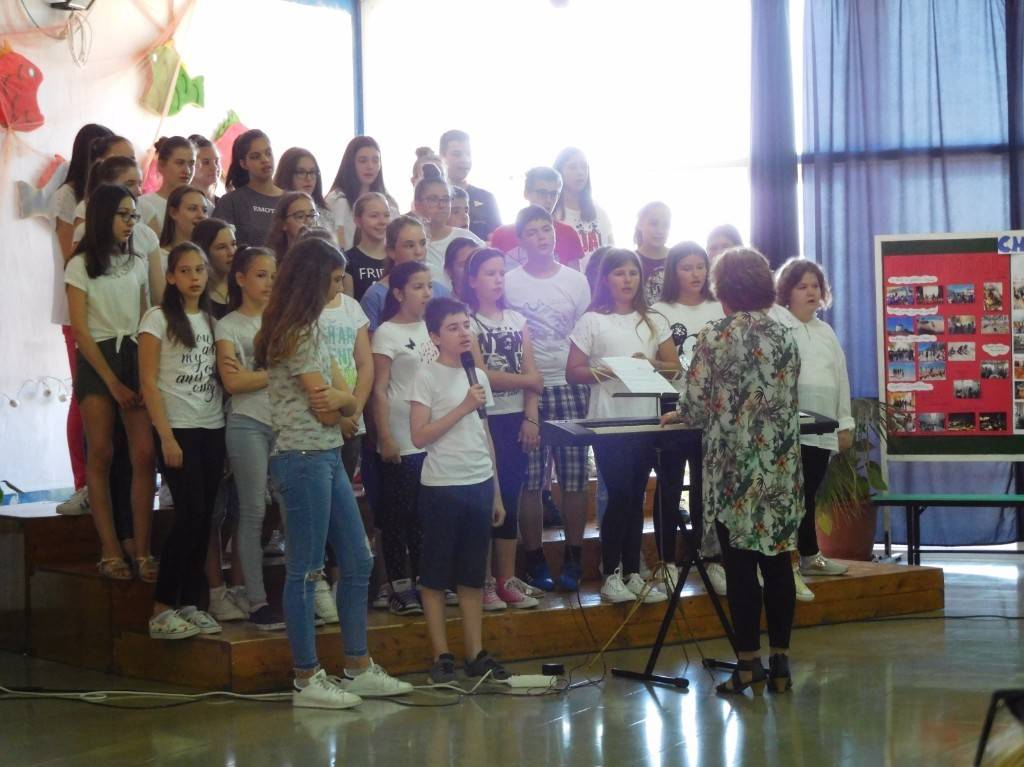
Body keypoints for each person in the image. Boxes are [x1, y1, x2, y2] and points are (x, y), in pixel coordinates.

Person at [255, 237, 411, 708]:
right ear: (312, 279)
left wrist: (346, 403)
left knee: (358, 559)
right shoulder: (291, 332)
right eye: (334, 278)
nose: (340, 286)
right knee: (305, 568)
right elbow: (327, 408)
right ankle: (306, 677)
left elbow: (343, 395)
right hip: (301, 456)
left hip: (327, 452)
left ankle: (357, 666)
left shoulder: (316, 328)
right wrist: (344, 404)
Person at [661, 247, 802, 696]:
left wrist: (679, 413)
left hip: (735, 470)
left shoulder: (716, 335)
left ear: (723, 291)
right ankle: (781, 664)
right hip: (780, 467)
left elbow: (696, 402)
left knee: (740, 569)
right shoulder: (785, 335)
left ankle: (747, 665)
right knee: (778, 565)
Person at [565, 249, 678, 603]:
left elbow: (675, 367)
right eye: (619, 273)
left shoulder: (653, 319)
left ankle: (633, 572)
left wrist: (651, 364)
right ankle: (611, 573)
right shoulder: (592, 320)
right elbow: (573, 372)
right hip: (608, 420)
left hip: (646, 418)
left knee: (635, 494)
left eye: (633, 273)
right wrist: (609, 370)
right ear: (605, 279)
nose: (627, 280)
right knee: (619, 494)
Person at [410, 296, 511, 682]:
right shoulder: (427, 376)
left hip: (478, 482)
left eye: (466, 325)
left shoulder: (478, 376)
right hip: (442, 486)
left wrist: (496, 491)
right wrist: (463, 407)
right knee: (435, 575)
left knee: (472, 575)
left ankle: (475, 653)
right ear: (435, 337)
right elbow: (419, 436)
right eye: (453, 328)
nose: (464, 333)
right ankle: (442, 655)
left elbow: (485, 434)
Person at [65, 184, 156, 581]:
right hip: (98, 358)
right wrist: (112, 382)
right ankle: (109, 548)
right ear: (103, 215)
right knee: (101, 451)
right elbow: (81, 330)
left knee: (144, 454)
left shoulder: (136, 262)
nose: (130, 222)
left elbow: (145, 318)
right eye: (123, 214)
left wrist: (144, 375)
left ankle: (144, 549)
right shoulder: (80, 264)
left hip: (133, 354)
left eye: (134, 215)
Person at [503, 205, 591, 592]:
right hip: (529, 389)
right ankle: (534, 556)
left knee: (574, 477)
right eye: (533, 231)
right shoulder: (510, 282)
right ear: (521, 240)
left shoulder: (576, 281)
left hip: (570, 385)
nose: (543, 237)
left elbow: (586, 333)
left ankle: (574, 555)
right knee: (531, 480)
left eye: (547, 229)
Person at [139, 243, 225, 639]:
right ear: (171, 277)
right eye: (185, 270)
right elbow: (149, 382)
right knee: (189, 514)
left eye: (200, 270)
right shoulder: (157, 319)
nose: (194, 277)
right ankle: (161, 608)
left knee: (205, 518)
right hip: (178, 429)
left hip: (212, 427)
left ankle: (190, 602)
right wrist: (166, 437)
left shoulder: (211, 321)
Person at [464, 249, 544, 609]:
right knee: (486, 498)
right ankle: (482, 581)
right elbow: (482, 375)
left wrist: (531, 417)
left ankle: (506, 577)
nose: (498, 280)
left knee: (511, 496)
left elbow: (533, 374)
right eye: (489, 273)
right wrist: (526, 380)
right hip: (484, 418)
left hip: (516, 418)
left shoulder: (516, 318)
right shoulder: (468, 322)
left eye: (501, 273)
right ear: (472, 280)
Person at [776, 258, 854, 597]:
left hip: (822, 427)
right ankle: (788, 565)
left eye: (815, 286)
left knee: (809, 495)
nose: (810, 292)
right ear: (787, 291)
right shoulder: (779, 327)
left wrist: (845, 423)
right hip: (790, 428)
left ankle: (809, 555)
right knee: (792, 496)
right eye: (802, 286)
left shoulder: (826, 331)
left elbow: (841, 379)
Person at [215, 246, 283, 630]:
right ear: (240, 278)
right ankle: (257, 600)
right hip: (247, 422)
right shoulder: (229, 326)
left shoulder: (283, 321)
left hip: (286, 423)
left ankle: (301, 592)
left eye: (273, 275)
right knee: (253, 509)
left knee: (290, 508)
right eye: (260, 275)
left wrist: (256, 376)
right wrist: (275, 374)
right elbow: (233, 382)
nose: (269, 282)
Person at [651, 241, 724, 591]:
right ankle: (665, 561)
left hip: (714, 407)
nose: (696, 274)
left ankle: (709, 558)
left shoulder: (720, 306)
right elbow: (663, 364)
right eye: (686, 267)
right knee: (668, 482)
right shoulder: (659, 311)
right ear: (673, 272)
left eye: (700, 266)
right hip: (672, 403)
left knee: (706, 484)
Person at [370, 261, 437, 614]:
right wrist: (385, 436)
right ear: (398, 293)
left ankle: (427, 581)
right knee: (398, 515)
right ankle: (399, 586)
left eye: (429, 286)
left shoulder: (434, 326)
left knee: (425, 515)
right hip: (401, 433)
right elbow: (379, 389)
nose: (427, 293)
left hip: (432, 435)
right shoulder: (386, 332)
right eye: (417, 286)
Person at [53, 123, 113, 515]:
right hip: (77, 308)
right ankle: (83, 482)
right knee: (84, 394)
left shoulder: (113, 200)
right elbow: (70, 256)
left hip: (111, 312)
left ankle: (107, 481)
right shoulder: (68, 195)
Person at [316, 239, 374, 624]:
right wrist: (339, 415)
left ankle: (340, 581)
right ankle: (319, 580)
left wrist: (355, 407)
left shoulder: (351, 308)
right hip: (321, 420)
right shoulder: (303, 313)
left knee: (343, 506)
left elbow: (365, 364)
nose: (340, 286)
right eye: (334, 279)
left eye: (342, 279)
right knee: (320, 506)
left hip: (353, 419)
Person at [359, 215, 451, 331]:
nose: (418, 251)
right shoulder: (375, 296)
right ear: (391, 251)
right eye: (409, 246)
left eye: (422, 243)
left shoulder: (441, 292)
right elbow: (370, 339)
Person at [490, 167, 584, 270]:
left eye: (553, 194)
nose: (548, 200)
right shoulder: (501, 235)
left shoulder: (568, 234)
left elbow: (574, 277)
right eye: (541, 193)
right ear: (526, 193)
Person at [413, 163, 483, 288]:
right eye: (433, 199)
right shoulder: (412, 243)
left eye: (445, 199)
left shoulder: (466, 237)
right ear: (417, 204)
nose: (441, 205)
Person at [212, 129, 283, 247]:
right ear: (243, 163)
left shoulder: (291, 200)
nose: (265, 160)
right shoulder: (231, 202)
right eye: (256, 157)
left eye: (268, 153)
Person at [326, 136, 399, 250]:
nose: (370, 166)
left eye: (375, 161)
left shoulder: (389, 201)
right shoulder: (337, 201)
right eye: (363, 161)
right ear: (351, 164)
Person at [553, 147, 614, 261]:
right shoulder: (553, 215)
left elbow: (613, 255)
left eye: (584, 167)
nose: (580, 172)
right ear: (559, 171)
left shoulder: (600, 213)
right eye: (572, 167)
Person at [439, 129, 501, 240]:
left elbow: (498, 240)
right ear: (442, 157)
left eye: (468, 154)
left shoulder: (486, 198)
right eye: (457, 154)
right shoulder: (435, 199)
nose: (464, 160)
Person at [152, 185, 209, 303]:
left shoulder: (209, 255)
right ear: (173, 213)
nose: (201, 215)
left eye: (204, 210)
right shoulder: (159, 257)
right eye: (192, 209)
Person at [140, 136, 196, 234]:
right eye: (179, 163)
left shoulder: (200, 208)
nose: (187, 171)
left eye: (191, 164)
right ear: (161, 165)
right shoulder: (144, 204)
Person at [274, 147, 335, 235]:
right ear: (287, 175)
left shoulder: (326, 214)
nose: (308, 178)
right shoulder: (276, 210)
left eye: (312, 172)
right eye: (301, 172)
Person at [345, 192, 391, 302]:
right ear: (358, 221)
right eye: (374, 216)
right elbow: (348, 307)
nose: (382, 221)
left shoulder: (397, 256)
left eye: (386, 215)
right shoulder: (348, 260)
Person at [192, 218, 237, 320]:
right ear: (204, 252)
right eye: (222, 247)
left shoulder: (243, 285)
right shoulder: (195, 293)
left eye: (233, 244)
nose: (231, 252)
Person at [634, 201, 672, 305]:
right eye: (654, 224)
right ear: (640, 224)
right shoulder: (631, 260)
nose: (660, 230)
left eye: (666, 225)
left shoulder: (677, 259)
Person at [265, 192, 320, 261]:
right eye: (300, 216)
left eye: (312, 215)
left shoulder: (326, 256)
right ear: (284, 223)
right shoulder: (270, 260)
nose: (309, 221)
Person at [188, 134, 221, 203]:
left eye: (217, 161)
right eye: (206, 162)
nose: (215, 167)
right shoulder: (181, 202)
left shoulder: (225, 203)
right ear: (191, 166)